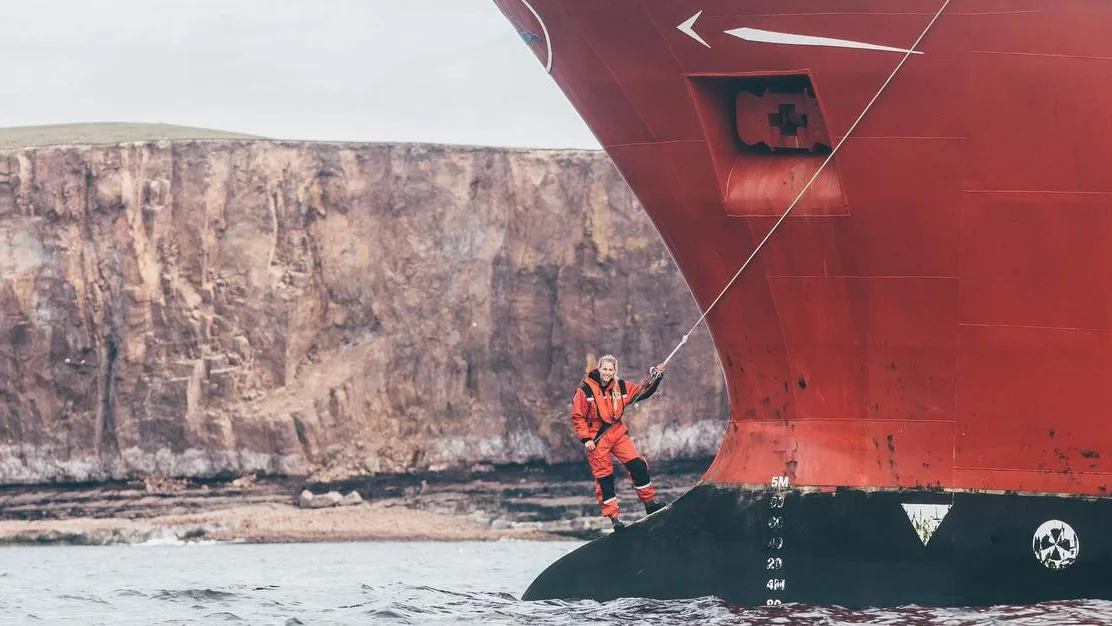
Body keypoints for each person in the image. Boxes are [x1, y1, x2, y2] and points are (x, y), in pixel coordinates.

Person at [571, 354, 668, 531]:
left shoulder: (621, 387)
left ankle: (649, 504)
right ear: (598, 369)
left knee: (638, 465)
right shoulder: (584, 391)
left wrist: (657, 376)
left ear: (615, 371)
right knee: (605, 478)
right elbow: (578, 417)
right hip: (596, 439)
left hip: (617, 433)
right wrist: (585, 439)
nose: (607, 372)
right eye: (605, 369)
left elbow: (642, 391)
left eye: (611, 369)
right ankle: (614, 519)